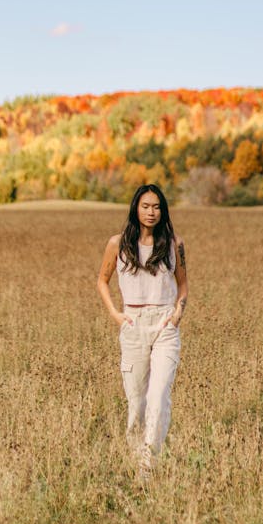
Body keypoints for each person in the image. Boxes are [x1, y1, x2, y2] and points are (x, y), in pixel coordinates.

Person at [97, 184, 188, 477]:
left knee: (159, 395)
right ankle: (137, 458)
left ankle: (148, 465)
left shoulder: (174, 244)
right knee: (137, 402)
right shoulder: (118, 243)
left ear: (163, 211)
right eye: (146, 206)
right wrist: (116, 315)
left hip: (164, 325)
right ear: (136, 208)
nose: (151, 212)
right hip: (133, 324)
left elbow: (183, 284)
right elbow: (102, 280)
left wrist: (177, 314)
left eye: (157, 207)